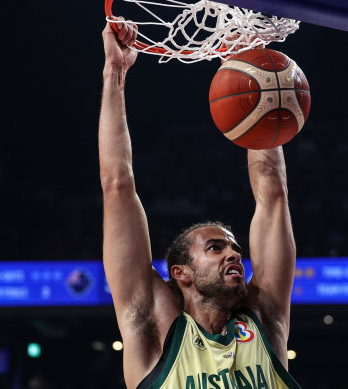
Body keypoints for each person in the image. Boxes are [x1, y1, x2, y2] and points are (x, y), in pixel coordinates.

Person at [99, 19, 302, 389]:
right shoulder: (153, 328)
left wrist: (251, 71)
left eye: (234, 247)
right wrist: (115, 73)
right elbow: (117, 186)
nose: (235, 254)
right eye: (216, 247)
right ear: (181, 273)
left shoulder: (265, 318)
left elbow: (272, 191)